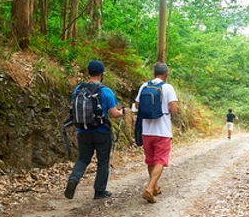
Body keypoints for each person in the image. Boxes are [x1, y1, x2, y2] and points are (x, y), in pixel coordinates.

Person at [64, 60, 125, 200]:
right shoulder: (105, 91)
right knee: (102, 162)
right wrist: (122, 112)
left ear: (88, 73)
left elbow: (75, 110)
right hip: (101, 132)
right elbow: (114, 114)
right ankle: (99, 191)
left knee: (83, 158)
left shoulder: (78, 89)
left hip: (83, 132)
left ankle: (74, 179)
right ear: (102, 74)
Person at [135, 63, 179, 204]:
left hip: (146, 130)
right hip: (162, 131)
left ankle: (155, 187)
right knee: (160, 160)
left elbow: (136, 105)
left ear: (154, 74)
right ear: (166, 74)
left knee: (151, 160)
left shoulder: (144, 86)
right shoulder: (168, 88)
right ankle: (149, 188)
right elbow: (174, 109)